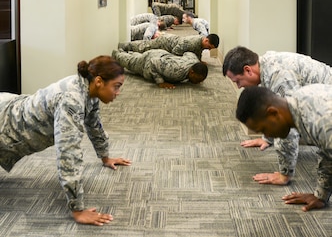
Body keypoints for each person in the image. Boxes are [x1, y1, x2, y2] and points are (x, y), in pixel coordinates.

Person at [0, 55, 131, 226]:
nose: (118, 93)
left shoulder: (88, 91)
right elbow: (68, 153)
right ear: (99, 81)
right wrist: (78, 209)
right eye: (117, 86)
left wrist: (105, 156)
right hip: (4, 122)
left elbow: (94, 125)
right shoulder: (71, 101)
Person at [222, 46, 332, 185]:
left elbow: (287, 123)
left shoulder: (279, 76)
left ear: (248, 70)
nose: (238, 86)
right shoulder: (266, 66)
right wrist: (268, 138)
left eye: (238, 81)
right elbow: (270, 111)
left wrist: (284, 173)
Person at [236, 84, 332, 212]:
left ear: (273, 113)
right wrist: (321, 195)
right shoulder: (299, 98)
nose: (267, 136)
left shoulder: (320, 123)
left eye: (264, 129)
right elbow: (327, 153)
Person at [112, 48, 208, 89]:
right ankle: (116, 54)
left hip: (162, 55)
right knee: (130, 63)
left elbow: (189, 53)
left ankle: (125, 52)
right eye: (197, 79)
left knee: (136, 57)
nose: (198, 82)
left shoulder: (194, 61)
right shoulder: (175, 71)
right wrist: (160, 82)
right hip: (149, 61)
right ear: (191, 72)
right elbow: (154, 62)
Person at [118, 33, 220, 60]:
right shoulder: (192, 43)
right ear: (206, 40)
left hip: (171, 41)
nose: (209, 49)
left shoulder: (201, 41)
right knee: (143, 47)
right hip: (165, 42)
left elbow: (198, 51)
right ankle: (125, 46)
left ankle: (126, 47)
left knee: (144, 46)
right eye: (209, 47)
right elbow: (176, 51)